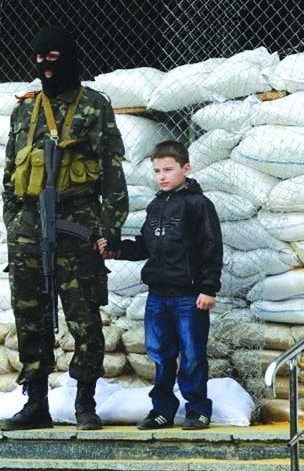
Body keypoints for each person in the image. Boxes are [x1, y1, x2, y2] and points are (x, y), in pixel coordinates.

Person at [0, 26, 129, 431]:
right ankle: (35, 402)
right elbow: (9, 174)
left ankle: (85, 402)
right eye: (38, 58)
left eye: (52, 58)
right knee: (30, 315)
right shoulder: (24, 109)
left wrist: (110, 229)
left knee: (83, 315)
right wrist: (14, 223)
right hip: (29, 225)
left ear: (69, 58)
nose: (43, 66)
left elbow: (112, 174)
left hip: (77, 223)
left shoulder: (93, 107)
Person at [98, 140, 222, 430]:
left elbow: (211, 247)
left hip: (189, 297)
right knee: (160, 356)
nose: (162, 176)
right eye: (157, 171)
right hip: (157, 297)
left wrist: (208, 289)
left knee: (192, 356)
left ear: (186, 168)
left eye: (168, 169)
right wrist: (116, 249)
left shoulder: (199, 205)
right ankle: (162, 411)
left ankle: (197, 411)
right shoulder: (155, 206)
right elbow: (144, 246)